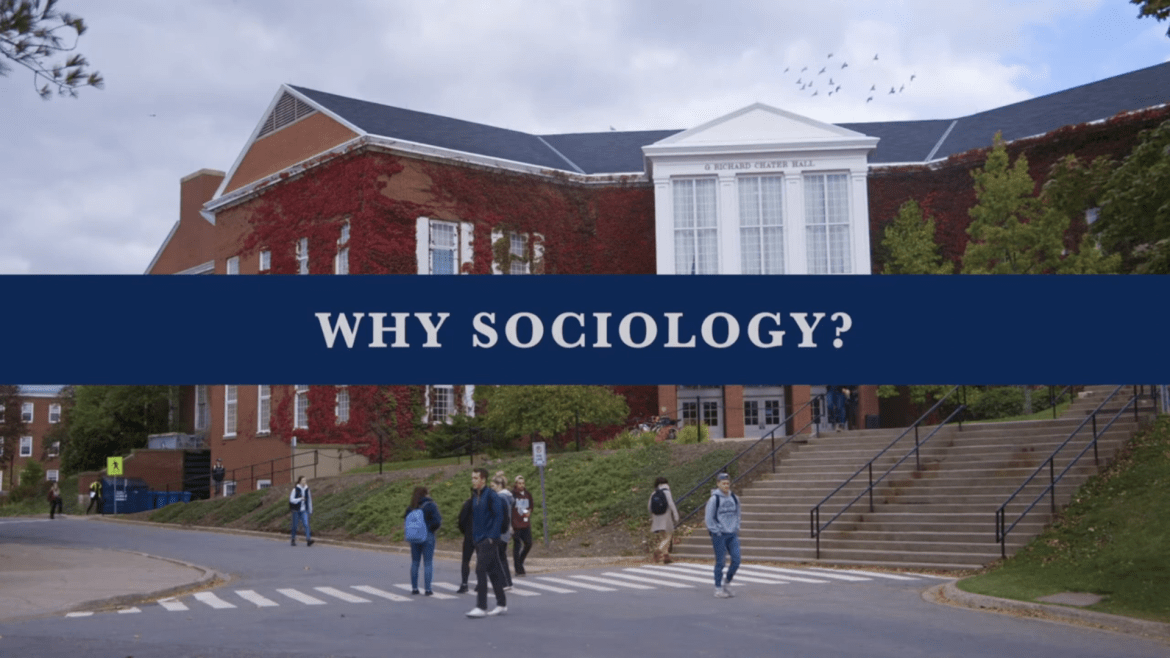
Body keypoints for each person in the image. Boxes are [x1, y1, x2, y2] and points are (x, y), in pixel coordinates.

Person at [467, 467, 507, 618]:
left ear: (483, 480)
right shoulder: (475, 496)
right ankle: (501, 603)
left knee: (480, 570)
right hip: (479, 538)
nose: (473, 480)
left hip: (488, 539)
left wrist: (492, 537)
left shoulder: (491, 496)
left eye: (476, 478)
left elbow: (498, 516)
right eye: (472, 478)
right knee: (494, 571)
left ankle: (481, 606)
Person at [704, 472, 741, 599]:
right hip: (719, 534)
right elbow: (709, 518)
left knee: (736, 560)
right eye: (723, 483)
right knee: (720, 562)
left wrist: (736, 526)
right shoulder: (714, 499)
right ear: (718, 484)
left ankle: (727, 582)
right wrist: (716, 530)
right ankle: (718, 588)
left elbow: (738, 513)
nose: (726, 485)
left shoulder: (734, 498)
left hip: (732, 533)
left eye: (727, 483)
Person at [404, 486, 442, 595]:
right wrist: (430, 529)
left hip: (414, 537)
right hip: (428, 536)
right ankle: (428, 589)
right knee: (428, 563)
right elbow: (437, 521)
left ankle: (414, 588)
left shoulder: (411, 507)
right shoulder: (430, 505)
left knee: (415, 562)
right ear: (426, 494)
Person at [648, 476, 679, 563]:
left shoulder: (654, 493)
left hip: (656, 517)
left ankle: (666, 557)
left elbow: (649, 507)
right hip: (666, 517)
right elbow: (671, 504)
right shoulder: (667, 492)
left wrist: (653, 516)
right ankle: (659, 549)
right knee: (668, 536)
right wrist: (676, 515)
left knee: (664, 536)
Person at [491, 473, 515, 589]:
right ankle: (508, 582)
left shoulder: (501, 498)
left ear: (499, 485)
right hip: (506, 531)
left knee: (498, 558)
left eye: (493, 486)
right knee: (502, 557)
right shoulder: (508, 497)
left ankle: (504, 582)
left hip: (500, 531)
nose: (492, 488)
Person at [510, 475, 534, 576]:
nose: (521, 485)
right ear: (516, 484)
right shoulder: (512, 495)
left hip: (525, 523)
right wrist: (510, 525)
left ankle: (520, 561)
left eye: (523, 483)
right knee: (517, 546)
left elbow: (531, 506)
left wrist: (529, 512)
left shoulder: (528, 494)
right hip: (515, 525)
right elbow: (509, 509)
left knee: (529, 543)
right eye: (519, 483)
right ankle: (518, 569)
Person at [457, 488, 475, 594]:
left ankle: (464, 583)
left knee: (466, 560)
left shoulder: (468, 504)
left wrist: (465, 531)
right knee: (482, 560)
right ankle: (480, 583)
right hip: (482, 535)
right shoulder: (484, 504)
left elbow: (461, 520)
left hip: (469, 534)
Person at [289, 476, 314, 547]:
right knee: (295, 525)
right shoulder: (295, 489)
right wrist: (300, 499)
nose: (304, 481)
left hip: (304, 510)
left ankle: (308, 540)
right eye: (303, 480)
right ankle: (293, 539)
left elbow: (309, 500)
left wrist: (310, 509)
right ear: (299, 481)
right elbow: (291, 500)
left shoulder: (307, 489)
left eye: (305, 480)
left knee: (306, 524)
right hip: (296, 510)